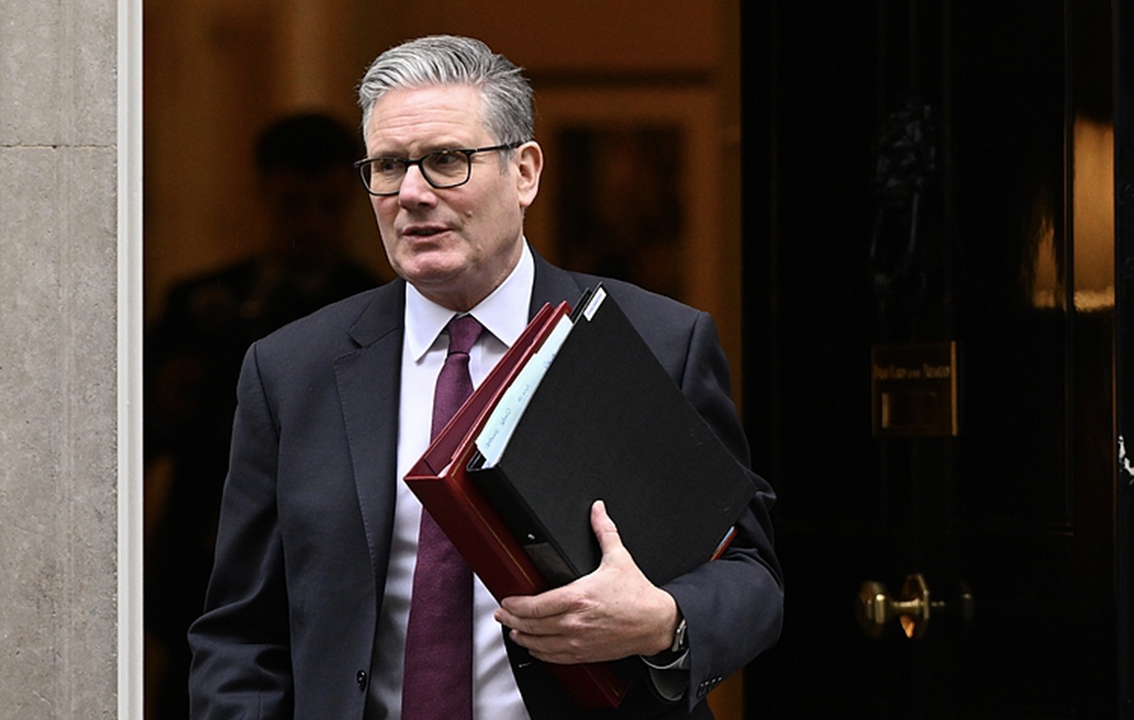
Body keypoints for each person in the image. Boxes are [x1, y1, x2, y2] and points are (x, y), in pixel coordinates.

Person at [188, 36, 782, 720]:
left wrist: (665, 619)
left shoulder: (656, 342)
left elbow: (751, 577)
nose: (411, 194)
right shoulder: (290, 372)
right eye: (387, 166)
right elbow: (241, 635)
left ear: (525, 172)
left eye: (446, 161)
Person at [145, 112, 380, 720]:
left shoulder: (380, 307)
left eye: (327, 207)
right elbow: (129, 447)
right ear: (264, 197)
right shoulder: (202, 304)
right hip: (206, 563)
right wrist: (167, 405)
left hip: (328, 572)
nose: (310, 225)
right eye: (292, 206)